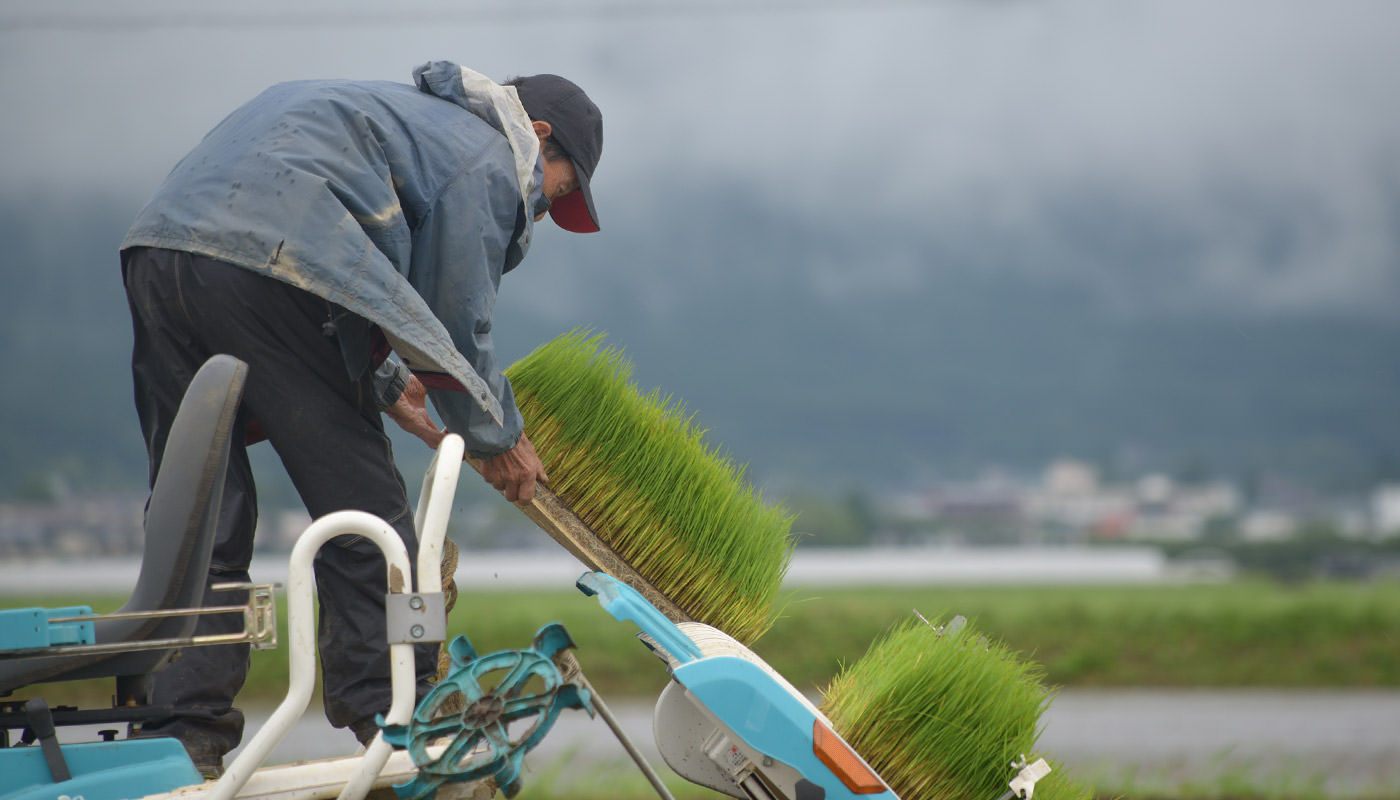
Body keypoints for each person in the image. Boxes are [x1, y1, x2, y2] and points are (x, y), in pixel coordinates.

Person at [119, 60, 603, 775]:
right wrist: (494, 435)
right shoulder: (488, 157)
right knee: (372, 524)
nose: (541, 211)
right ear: (538, 136)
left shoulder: (391, 118)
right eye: (557, 191)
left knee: (197, 515)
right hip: (268, 265)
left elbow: (341, 261)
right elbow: (452, 312)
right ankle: (402, 717)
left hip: (160, 251)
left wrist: (390, 382)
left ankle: (176, 741)